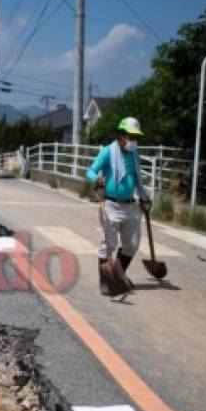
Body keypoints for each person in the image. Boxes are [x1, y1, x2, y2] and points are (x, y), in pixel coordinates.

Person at [85, 117, 152, 293]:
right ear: (121, 135)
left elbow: (136, 179)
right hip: (111, 205)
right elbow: (89, 172)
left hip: (131, 205)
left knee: (132, 244)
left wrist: (144, 196)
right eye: (131, 136)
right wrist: (96, 179)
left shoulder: (133, 154)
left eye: (136, 137)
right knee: (109, 245)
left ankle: (118, 275)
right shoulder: (108, 151)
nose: (134, 140)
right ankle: (106, 282)